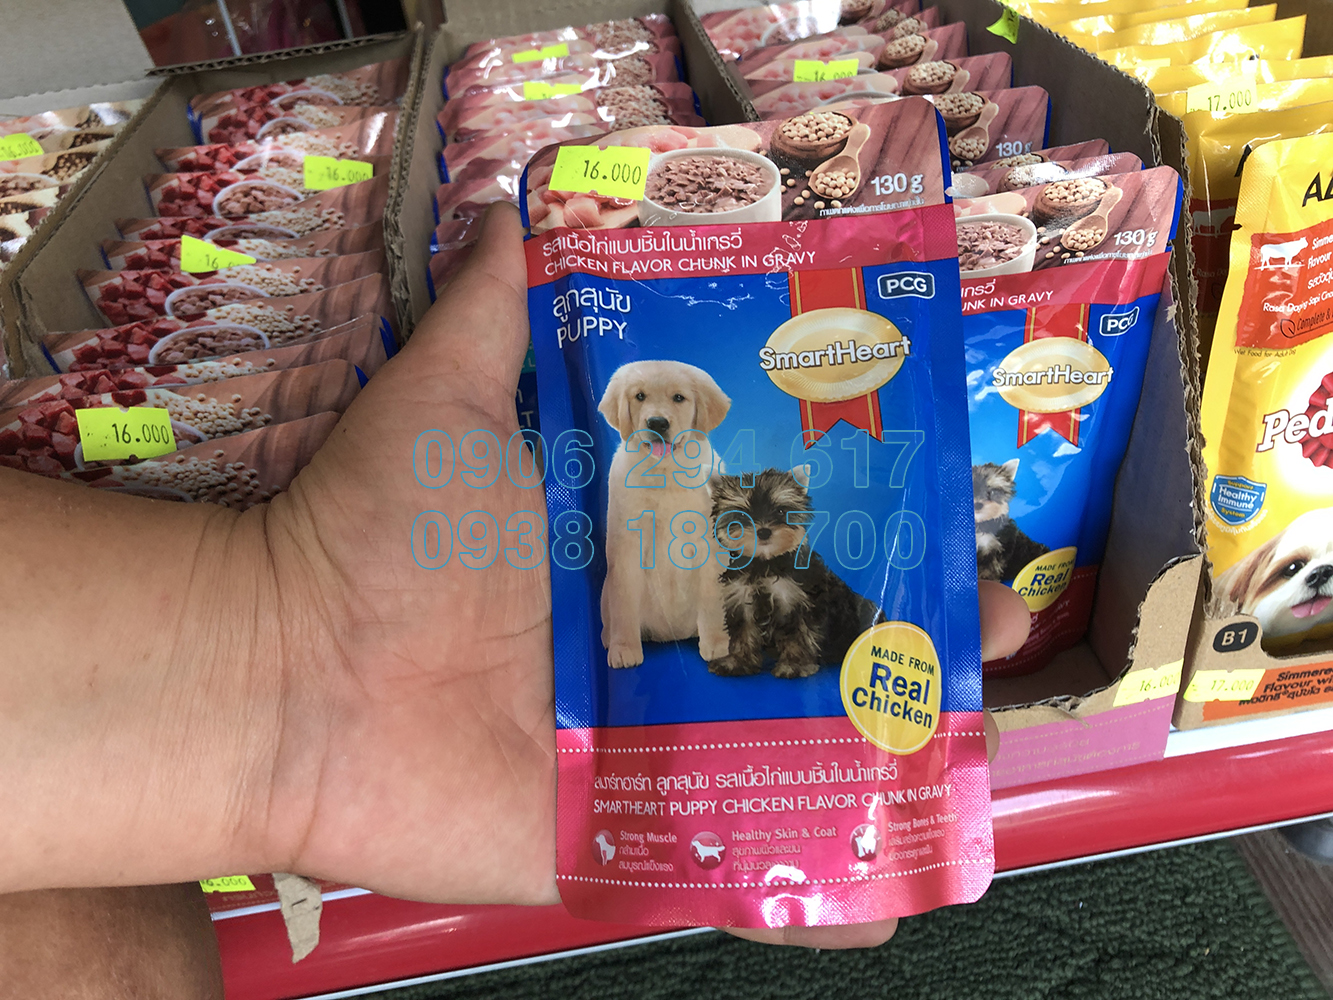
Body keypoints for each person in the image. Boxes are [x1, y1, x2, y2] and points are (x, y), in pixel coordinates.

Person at [0, 203, 1030, 991]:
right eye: (644, 399)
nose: (660, 412)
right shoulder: (619, 462)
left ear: (702, 409)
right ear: (623, 408)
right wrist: (300, 635)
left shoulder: (713, 461)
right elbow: (620, 566)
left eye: (676, 400)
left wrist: (291, 642)